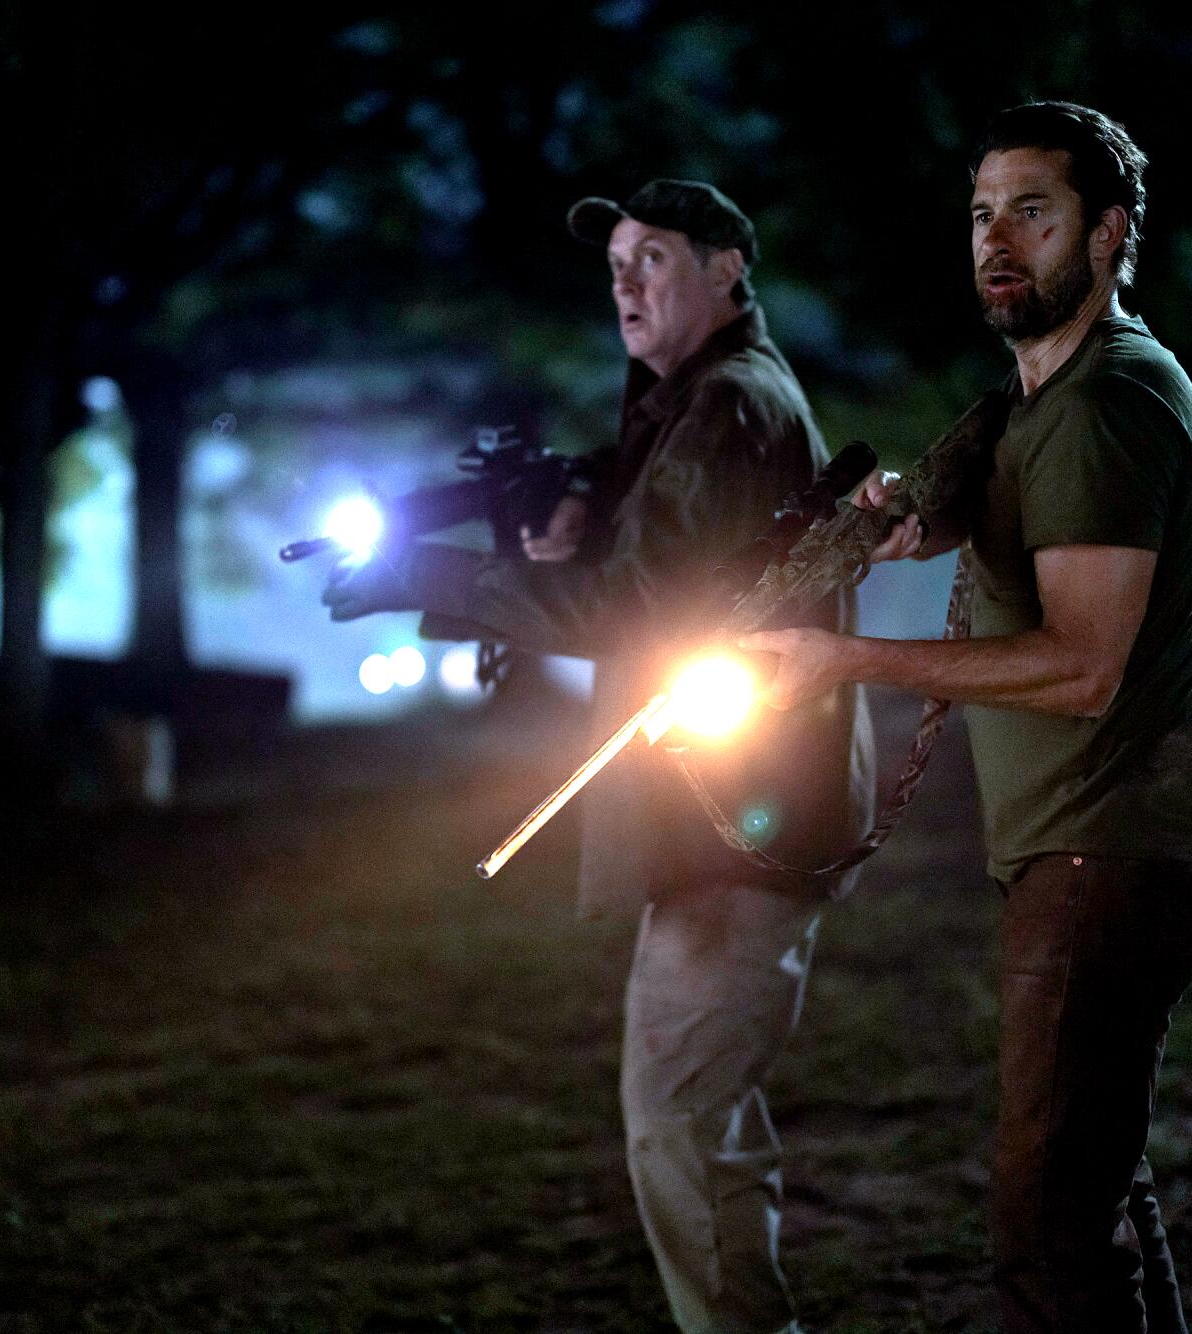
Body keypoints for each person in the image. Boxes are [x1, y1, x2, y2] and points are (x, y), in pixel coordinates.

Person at [323, 179, 875, 1334]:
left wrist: (426, 580)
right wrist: (572, 508)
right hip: (724, 813)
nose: (623, 280)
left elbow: (635, 604)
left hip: (737, 819)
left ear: (727, 270)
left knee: (673, 1121)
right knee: (701, 1123)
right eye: (615, 261)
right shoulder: (688, 405)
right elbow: (643, 553)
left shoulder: (724, 403)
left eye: (655, 256)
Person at [742, 103, 1192, 1333]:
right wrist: (913, 514)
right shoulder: (1048, 396)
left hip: (1108, 850)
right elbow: (1003, 497)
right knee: (1095, 1187)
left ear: (1109, 232)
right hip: (1095, 847)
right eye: (979, 214)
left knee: (1043, 1220)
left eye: (1033, 211)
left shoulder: (1099, 407)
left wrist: (844, 656)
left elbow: (1082, 665)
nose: (995, 241)